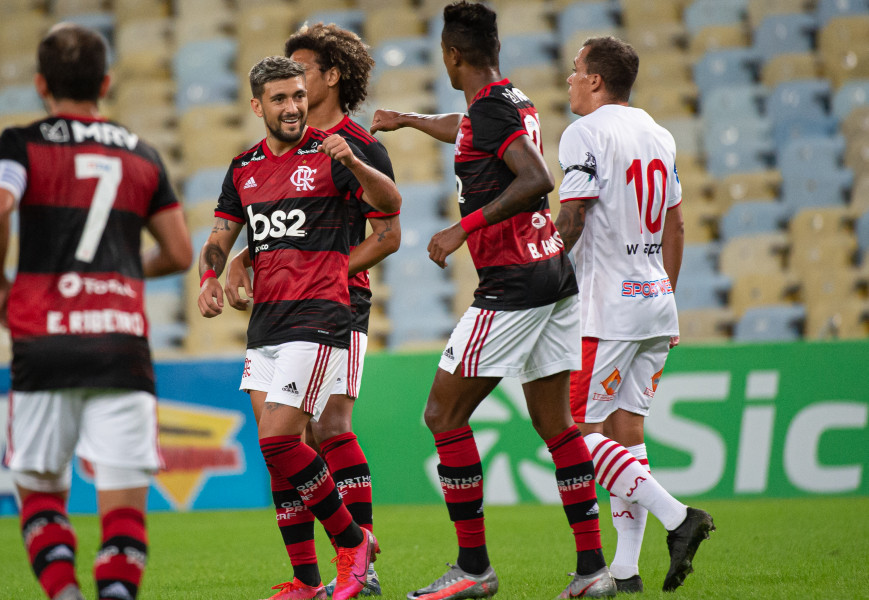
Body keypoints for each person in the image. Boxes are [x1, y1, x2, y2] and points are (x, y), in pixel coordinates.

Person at [371, 3, 616, 598]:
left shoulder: (491, 112)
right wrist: (405, 118)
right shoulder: (512, 102)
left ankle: (474, 567)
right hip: (554, 276)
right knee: (556, 424)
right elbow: (468, 129)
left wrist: (462, 228)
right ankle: (592, 572)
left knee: (442, 415)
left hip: (512, 283)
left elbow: (536, 178)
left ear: (452, 55)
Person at [0, 23, 193, 600]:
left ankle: (65, 593)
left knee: (40, 489)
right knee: (122, 502)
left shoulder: (19, 143)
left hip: (44, 342)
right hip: (120, 344)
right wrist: (118, 269)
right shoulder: (141, 153)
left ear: (41, 84)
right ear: (107, 82)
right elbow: (179, 252)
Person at [195, 55, 400, 600]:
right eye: (280, 99)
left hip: (320, 318)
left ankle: (354, 544)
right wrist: (211, 276)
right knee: (280, 460)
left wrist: (353, 163)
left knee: (281, 439)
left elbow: (391, 207)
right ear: (258, 105)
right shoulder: (243, 167)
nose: (292, 107)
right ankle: (308, 582)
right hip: (266, 323)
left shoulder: (332, 153)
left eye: (298, 96)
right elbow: (221, 236)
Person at [555, 36, 715, 594]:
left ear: (596, 80)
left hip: (605, 311)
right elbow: (676, 225)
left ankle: (678, 517)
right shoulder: (658, 132)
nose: (570, 80)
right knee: (627, 434)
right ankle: (624, 569)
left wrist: (539, 273)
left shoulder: (585, 132)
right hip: (654, 301)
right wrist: (663, 295)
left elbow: (572, 218)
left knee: (573, 435)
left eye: (576, 72)